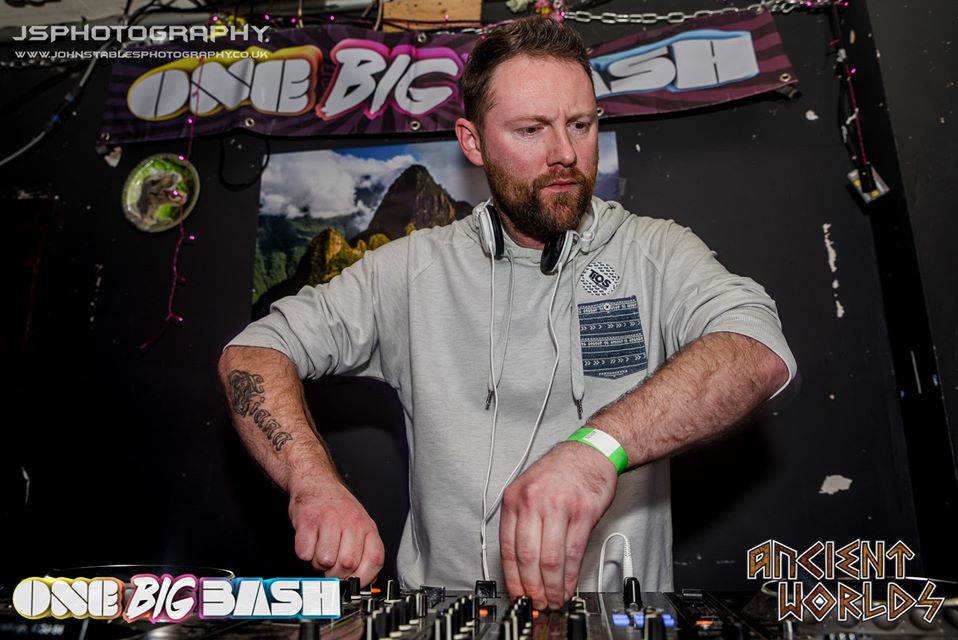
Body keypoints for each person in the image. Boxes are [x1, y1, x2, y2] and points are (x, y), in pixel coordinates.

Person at [219, 16, 795, 611]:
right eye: (531, 129)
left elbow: (757, 349)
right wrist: (312, 484)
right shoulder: (410, 270)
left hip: (617, 617)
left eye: (580, 125)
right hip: (445, 614)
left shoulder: (654, 251)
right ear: (473, 142)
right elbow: (253, 354)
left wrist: (598, 450)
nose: (565, 153)